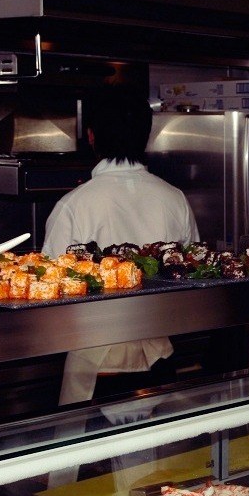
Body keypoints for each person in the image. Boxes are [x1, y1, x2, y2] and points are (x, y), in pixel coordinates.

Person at [42, 85, 199, 404]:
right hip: (159, 361)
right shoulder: (174, 199)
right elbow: (194, 274)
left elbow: (48, 291)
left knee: (91, 454)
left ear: (91, 136)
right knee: (160, 454)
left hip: (96, 365)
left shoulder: (73, 205)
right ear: (147, 135)